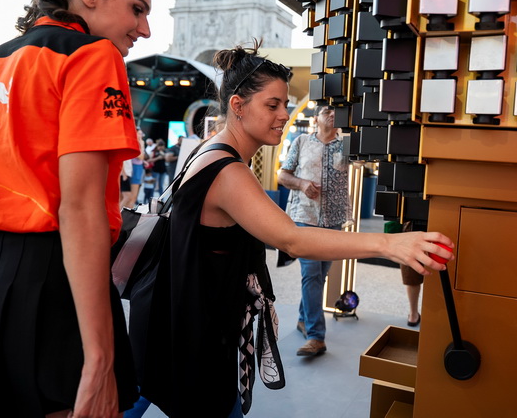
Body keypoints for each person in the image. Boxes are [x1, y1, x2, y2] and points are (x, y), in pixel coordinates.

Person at [131, 41, 453, 418]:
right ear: (238, 105)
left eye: (284, 104)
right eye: (273, 105)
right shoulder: (228, 170)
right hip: (190, 333)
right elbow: (292, 239)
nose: (284, 114)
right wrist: (390, 244)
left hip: (176, 321)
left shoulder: (212, 150)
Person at [0, 0, 151, 416]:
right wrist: (99, 357)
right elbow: (79, 207)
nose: (144, 29)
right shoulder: (93, 55)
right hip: (57, 285)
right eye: (137, 9)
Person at [278, 104, 349, 357]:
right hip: (305, 218)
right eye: (327, 111)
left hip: (334, 221)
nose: (332, 114)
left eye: (337, 111)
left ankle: (302, 319)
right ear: (316, 118)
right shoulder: (301, 142)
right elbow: (283, 175)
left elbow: (368, 159)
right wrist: (301, 183)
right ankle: (316, 336)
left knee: (320, 275)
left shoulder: (347, 146)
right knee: (311, 274)